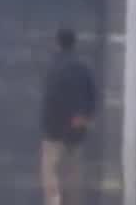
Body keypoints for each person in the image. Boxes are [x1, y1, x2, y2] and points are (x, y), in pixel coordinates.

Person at [39, 27, 97, 205]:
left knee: (50, 172)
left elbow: (51, 98)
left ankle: (54, 202)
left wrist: (49, 123)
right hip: (76, 130)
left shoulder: (54, 67)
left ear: (57, 43)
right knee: (72, 174)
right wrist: (84, 118)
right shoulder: (84, 68)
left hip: (54, 130)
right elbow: (92, 96)